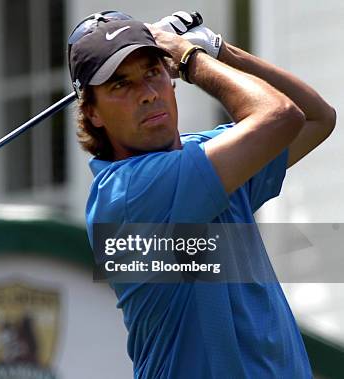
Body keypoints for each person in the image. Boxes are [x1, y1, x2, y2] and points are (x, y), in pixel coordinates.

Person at [67, 10, 336, 379]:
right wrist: (194, 60)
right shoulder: (128, 193)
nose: (146, 94)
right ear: (92, 113)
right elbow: (280, 117)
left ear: (169, 77)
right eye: (120, 85)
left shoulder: (205, 156)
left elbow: (314, 118)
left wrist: (219, 49)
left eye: (152, 72)